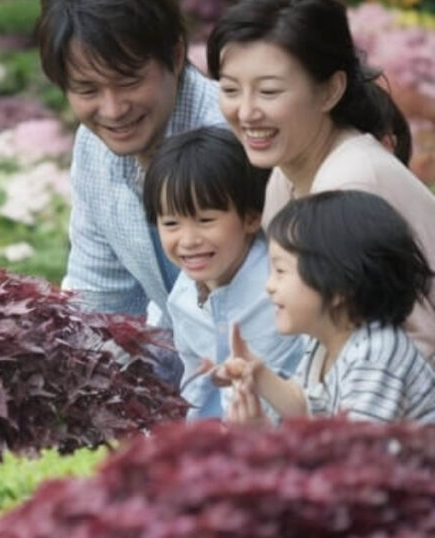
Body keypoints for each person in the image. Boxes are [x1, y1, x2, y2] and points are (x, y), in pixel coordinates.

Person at [206, 0, 435, 359]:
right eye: (231, 89)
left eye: (269, 91)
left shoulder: (353, 184)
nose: (246, 112)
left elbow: (419, 347)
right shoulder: (286, 176)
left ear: (330, 90)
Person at [36, 0, 225, 327]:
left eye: (128, 82)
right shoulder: (94, 146)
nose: (112, 110)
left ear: (177, 56)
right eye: (87, 89)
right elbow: (99, 297)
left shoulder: (234, 138)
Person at [221, 191, 435, 424]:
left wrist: (263, 436)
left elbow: (355, 453)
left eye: (280, 271)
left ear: (339, 287)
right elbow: (304, 406)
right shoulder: (324, 342)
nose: (269, 286)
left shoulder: (375, 356)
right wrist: (257, 374)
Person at [142, 126, 302, 420]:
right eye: (171, 224)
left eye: (205, 220)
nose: (188, 240)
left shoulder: (280, 288)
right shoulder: (182, 296)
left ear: (251, 218)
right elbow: (194, 384)